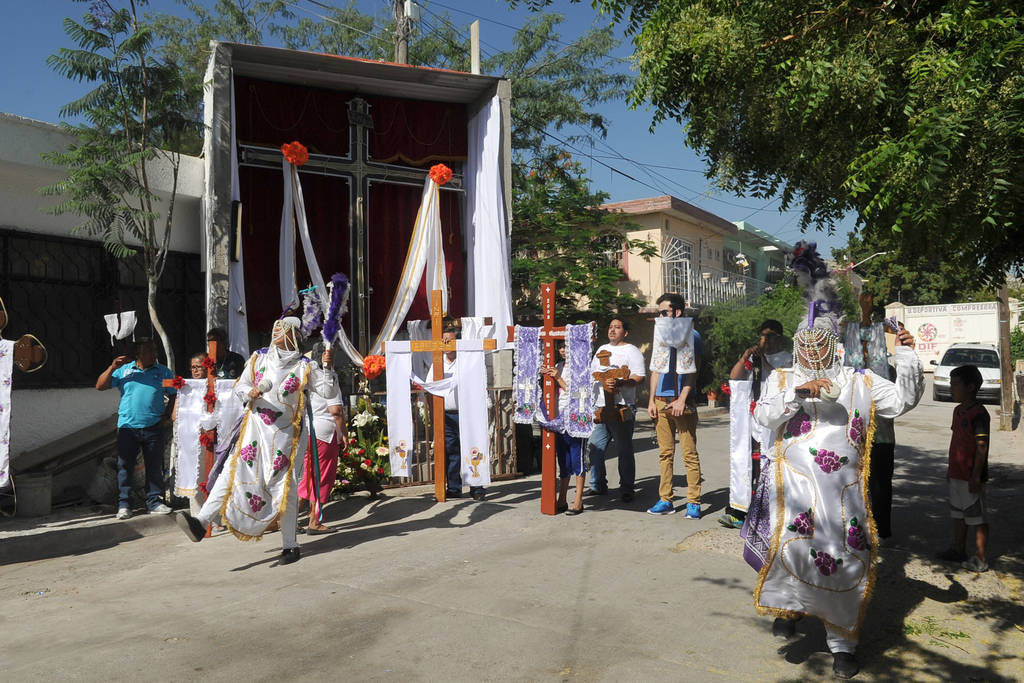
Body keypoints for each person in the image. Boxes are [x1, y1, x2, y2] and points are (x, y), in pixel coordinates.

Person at [751, 308, 923, 679]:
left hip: (843, 497)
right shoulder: (783, 378)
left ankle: (842, 643)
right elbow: (762, 418)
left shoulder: (859, 381)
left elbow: (901, 402)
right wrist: (796, 396)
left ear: (834, 346)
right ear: (797, 348)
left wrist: (906, 356)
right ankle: (790, 608)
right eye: (805, 346)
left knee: (842, 557)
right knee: (793, 549)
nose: (813, 354)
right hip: (795, 488)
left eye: (820, 345)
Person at [176, 317, 338, 565]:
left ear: (293, 335)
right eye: (276, 326)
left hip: (286, 438)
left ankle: (290, 545)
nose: (276, 331)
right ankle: (201, 523)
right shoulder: (259, 357)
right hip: (254, 431)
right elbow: (241, 386)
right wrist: (248, 392)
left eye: (282, 329)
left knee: (286, 487)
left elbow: (327, 392)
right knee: (231, 473)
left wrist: (328, 367)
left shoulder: (305, 366)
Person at [720, 319, 791, 528]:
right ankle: (741, 510)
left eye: (768, 336)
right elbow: (734, 379)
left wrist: (764, 362)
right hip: (751, 421)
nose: (764, 340)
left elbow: (779, 382)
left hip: (772, 422)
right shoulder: (753, 357)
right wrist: (745, 358)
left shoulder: (786, 359)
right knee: (748, 465)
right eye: (761, 335)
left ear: (778, 337)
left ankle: (766, 512)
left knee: (768, 466)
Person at [95, 338, 176, 520]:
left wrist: (166, 416)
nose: (154, 354)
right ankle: (124, 504)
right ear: (138, 353)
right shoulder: (125, 371)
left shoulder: (163, 372)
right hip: (127, 427)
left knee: (154, 466)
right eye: (149, 351)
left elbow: (174, 394)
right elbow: (100, 386)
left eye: (155, 350)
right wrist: (112, 367)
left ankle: (154, 502)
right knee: (125, 467)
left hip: (154, 427)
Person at [646, 294, 702, 518]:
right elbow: (655, 369)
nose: (660, 316)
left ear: (677, 312)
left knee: (689, 453)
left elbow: (694, 370)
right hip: (661, 399)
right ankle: (665, 499)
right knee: (665, 453)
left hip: (682, 400)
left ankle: (693, 502)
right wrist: (651, 399)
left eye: (664, 312)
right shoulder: (660, 334)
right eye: (659, 313)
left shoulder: (693, 335)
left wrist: (682, 399)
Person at [937, 364, 990, 572]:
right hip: (956, 473)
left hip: (971, 476)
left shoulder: (979, 413)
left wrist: (976, 476)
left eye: (955, 384)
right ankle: (958, 550)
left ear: (971, 387)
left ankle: (981, 557)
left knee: (977, 517)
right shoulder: (958, 411)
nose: (951, 388)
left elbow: (981, 446)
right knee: (959, 514)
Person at [587, 317, 645, 502]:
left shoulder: (632, 351)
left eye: (617, 327)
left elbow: (639, 376)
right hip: (600, 407)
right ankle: (597, 485)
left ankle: (627, 488)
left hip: (622, 406)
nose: (612, 330)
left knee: (624, 449)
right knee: (595, 447)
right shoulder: (601, 350)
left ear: (625, 332)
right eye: (611, 327)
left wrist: (622, 382)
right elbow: (593, 374)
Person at [432, 325, 487, 501]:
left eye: (450, 340)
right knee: (451, 451)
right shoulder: (437, 362)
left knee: (472, 448)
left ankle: (476, 487)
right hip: (446, 415)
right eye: (444, 340)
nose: (447, 344)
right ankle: (454, 488)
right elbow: (429, 388)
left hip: (467, 413)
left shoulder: (466, 361)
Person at [298, 346, 347, 534]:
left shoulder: (307, 374)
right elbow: (336, 411)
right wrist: (343, 434)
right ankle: (314, 521)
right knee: (321, 479)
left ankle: (290, 520)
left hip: (308, 431)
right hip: (325, 434)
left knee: (307, 478)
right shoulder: (328, 376)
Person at [542, 343, 586, 515]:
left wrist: (558, 378)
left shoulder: (580, 366)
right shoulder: (558, 365)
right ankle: (562, 498)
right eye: (560, 347)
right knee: (564, 460)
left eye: (566, 346)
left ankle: (578, 500)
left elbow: (579, 391)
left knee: (577, 458)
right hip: (558, 418)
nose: (563, 350)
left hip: (575, 417)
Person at [868, 365, 897, 540]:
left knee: (881, 487)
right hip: (867, 440)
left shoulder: (885, 371)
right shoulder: (859, 371)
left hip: (883, 441)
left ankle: (881, 528)